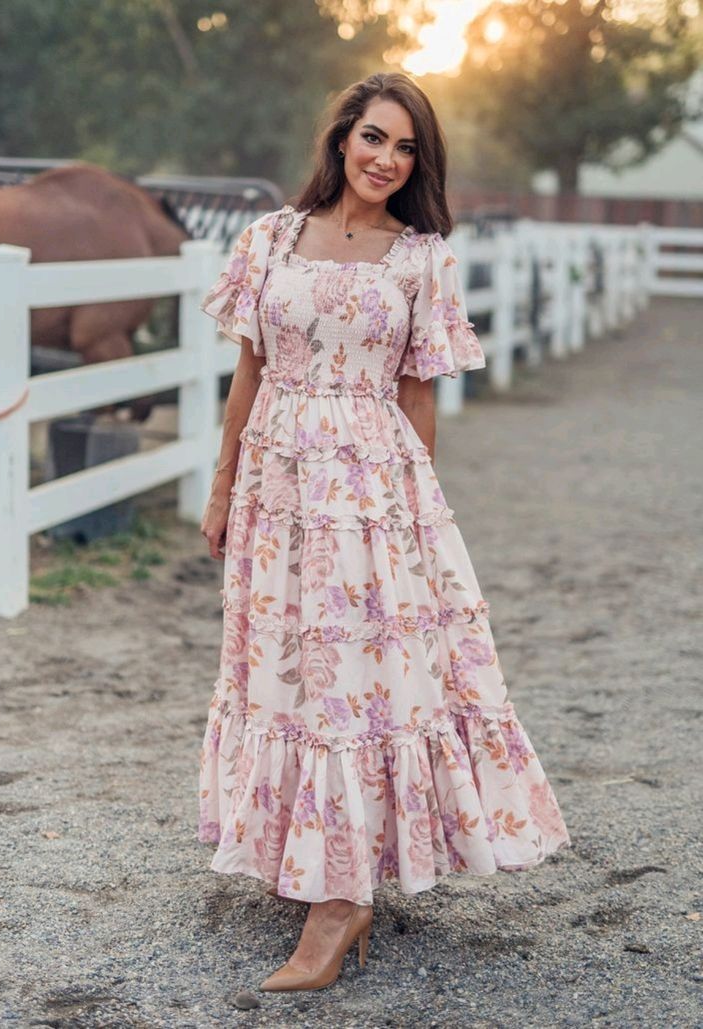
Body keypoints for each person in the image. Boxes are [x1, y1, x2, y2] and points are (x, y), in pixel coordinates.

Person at [197, 71, 571, 993]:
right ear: (340, 139)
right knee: (285, 662)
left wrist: (417, 522)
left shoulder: (421, 258)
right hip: (276, 482)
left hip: (371, 488)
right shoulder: (270, 239)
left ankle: (342, 897)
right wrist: (222, 486)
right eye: (373, 138)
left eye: (406, 148)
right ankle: (309, 853)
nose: (386, 160)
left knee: (358, 676)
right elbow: (246, 375)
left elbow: (417, 397)